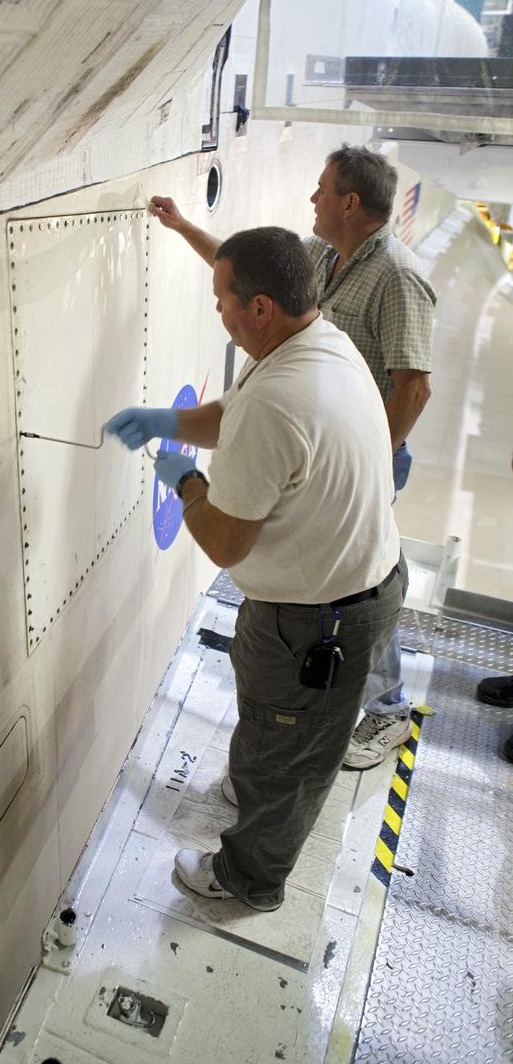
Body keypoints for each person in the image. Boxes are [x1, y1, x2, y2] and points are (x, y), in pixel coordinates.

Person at [106, 227, 407, 911]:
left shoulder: (279, 398)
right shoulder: (317, 346)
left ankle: (247, 881)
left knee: (290, 760)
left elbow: (224, 543)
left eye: (222, 298)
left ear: (261, 307)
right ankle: (252, 786)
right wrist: (169, 421)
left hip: (319, 623)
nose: (217, 309)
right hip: (341, 591)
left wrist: (184, 482)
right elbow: (235, 416)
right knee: (276, 731)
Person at [148, 145, 435, 770]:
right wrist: (183, 227)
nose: (313, 198)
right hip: (319, 446)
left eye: (322, 188)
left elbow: (413, 387)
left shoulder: (397, 278)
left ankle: (386, 709)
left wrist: (367, 466)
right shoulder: (323, 256)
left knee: (355, 576)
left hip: (362, 453)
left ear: (350, 203)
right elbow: (252, 281)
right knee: (338, 571)